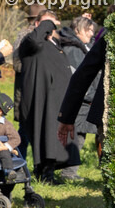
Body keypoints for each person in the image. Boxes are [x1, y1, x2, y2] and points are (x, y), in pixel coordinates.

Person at [18, 12, 74, 183]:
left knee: (52, 136)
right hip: (40, 98)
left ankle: (48, 173)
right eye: (46, 24)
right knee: (44, 135)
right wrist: (48, 23)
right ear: (37, 24)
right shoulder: (30, 41)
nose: (50, 27)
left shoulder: (53, 43)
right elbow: (35, 40)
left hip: (56, 98)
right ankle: (44, 176)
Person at [57, 16, 96, 179]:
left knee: (80, 134)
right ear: (78, 30)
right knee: (76, 135)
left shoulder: (81, 46)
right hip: (81, 99)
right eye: (88, 30)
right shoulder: (74, 50)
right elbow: (78, 75)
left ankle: (70, 170)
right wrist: (89, 95)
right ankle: (69, 172)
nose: (91, 34)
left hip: (84, 98)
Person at [12, 3, 47, 161]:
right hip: (26, 89)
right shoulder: (24, 36)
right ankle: (20, 163)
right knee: (25, 129)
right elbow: (17, 64)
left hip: (39, 88)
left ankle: (37, 164)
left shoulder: (47, 35)